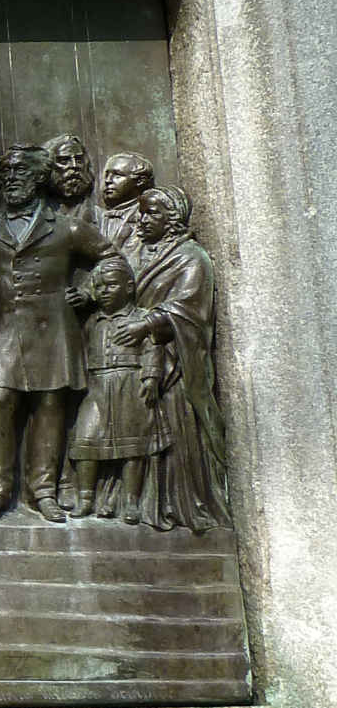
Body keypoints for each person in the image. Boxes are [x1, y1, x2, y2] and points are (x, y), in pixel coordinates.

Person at [0, 144, 116, 523]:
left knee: (49, 406)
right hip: (5, 330)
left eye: (21, 172)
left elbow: (111, 259)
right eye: (6, 175)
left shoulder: (66, 227)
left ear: (39, 179)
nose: (12, 180)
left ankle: (43, 490)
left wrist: (90, 292)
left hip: (53, 332)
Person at [129, 184, 227, 532]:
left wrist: (149, 323)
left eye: (151, 212)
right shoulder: (139, 252)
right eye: (140, 212)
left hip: (174, 361)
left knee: (175, 428)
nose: (141, 220)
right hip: (136, 358)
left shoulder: (190, 257)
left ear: (172, 218)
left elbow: (189, 308)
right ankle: (144, 502)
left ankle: (185, 504)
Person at [68, 254, 164, 523]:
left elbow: (153, 348)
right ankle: (85, 497)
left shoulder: (140, 318)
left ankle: (131, 501)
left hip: (129, 384)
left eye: (111, 286)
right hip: (96, 386)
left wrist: (151, 377)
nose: (104, 292)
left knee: (133, 445)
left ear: (129, 287)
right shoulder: (91, 322)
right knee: (87, 440)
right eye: (99, 288)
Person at [90, 152, 154, 254]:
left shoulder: (150, 217)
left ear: (140, 181)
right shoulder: (94, 215)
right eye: (106, 175)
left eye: (117, 175)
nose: (107, 180)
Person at [45, 134, 95, 217]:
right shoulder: (38, 217)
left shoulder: (101, 217)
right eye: (64, 161)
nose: (74, 165)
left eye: (79, 160)